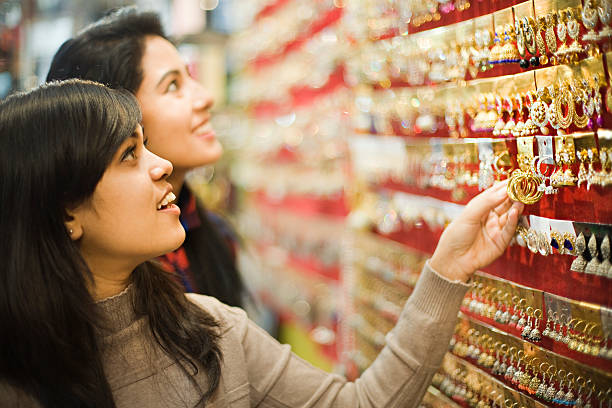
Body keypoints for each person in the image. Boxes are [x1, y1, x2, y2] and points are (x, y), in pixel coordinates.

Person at [0, 79, 523, 407]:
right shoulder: (18, 379)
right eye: (129, 156)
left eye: (147, 146)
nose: (161, 166)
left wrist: (447, 270)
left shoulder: (210, 330)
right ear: (66, 211)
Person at [46, 7, 246, 307]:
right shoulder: (97, 279)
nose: (206, 98)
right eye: (173, 86)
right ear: (113, 114)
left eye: (190, 77)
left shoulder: (213, 235)